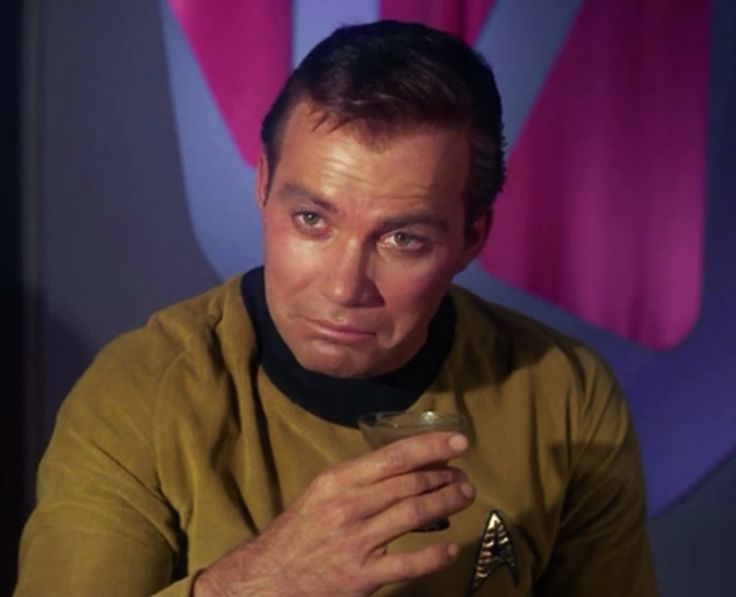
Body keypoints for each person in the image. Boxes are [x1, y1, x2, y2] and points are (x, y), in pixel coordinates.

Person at [15, 20, 657, 596]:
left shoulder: (563, 395)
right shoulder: (142, 393)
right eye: (311, 220)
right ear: (263, 187)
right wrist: (255, 587)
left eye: (403, 239)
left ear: (472, 238)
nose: (344, 288)